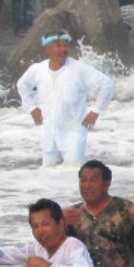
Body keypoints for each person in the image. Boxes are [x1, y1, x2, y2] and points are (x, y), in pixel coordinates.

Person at [16, 31, 116, 166]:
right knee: (48, 175)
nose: (63, 50)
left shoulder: (79, 69)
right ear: (47, 50)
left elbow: (107, 84)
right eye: (58, 46)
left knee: (72, 173)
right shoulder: (38, 69)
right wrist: (32, 108)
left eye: (65, 45)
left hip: (74, 133)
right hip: (49, 133)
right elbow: (22, 85)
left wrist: (96, 111)